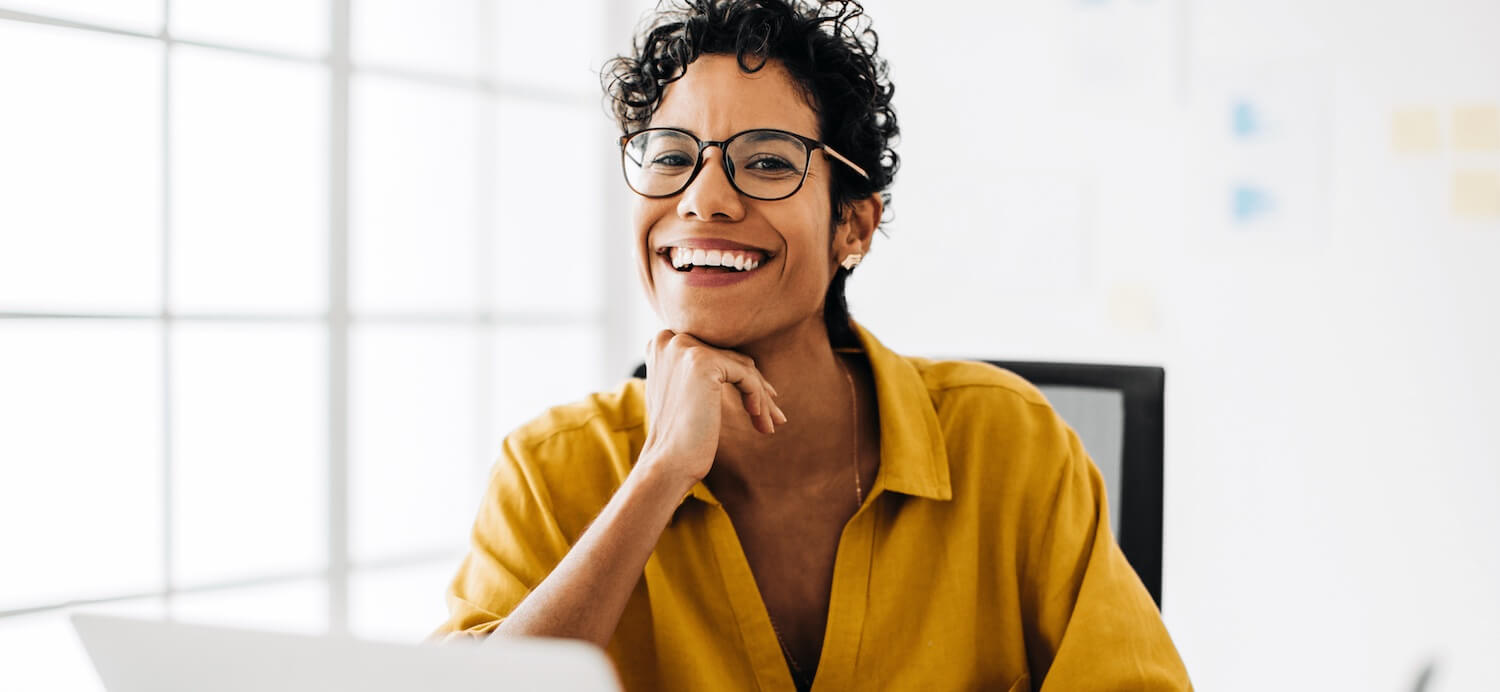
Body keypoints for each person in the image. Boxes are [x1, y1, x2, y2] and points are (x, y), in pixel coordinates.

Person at [432, 1, 1192, 689]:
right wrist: (657, 477)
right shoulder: (551, 470)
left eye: (766, 161)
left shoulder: (1013, 444)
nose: (703, 197)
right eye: (670, 156)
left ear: (853, 226)